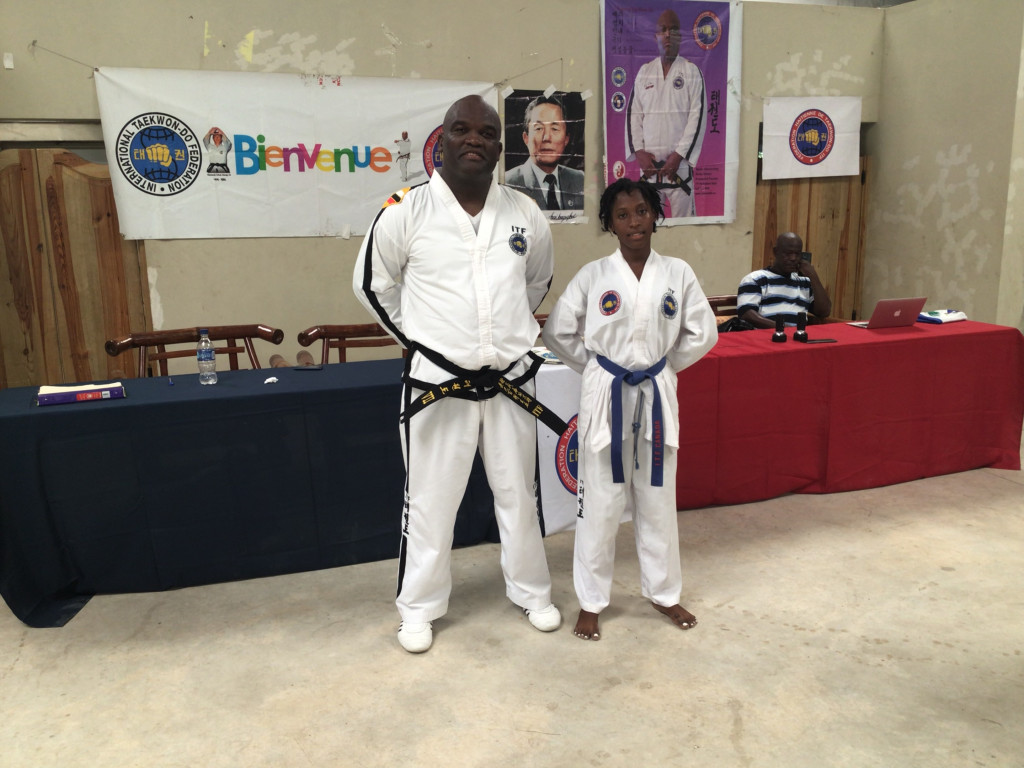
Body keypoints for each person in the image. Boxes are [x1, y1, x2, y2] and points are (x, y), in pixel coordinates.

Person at [353, 95, 561, 653]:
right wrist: (423, 343)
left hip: (511, 381)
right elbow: (372, 285)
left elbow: (536, 282)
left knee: (520, 495)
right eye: (462, 130)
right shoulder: (406, 210)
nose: (475, 139)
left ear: (500, 145)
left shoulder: (524, 212)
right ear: (441, 140)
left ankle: (532, 592)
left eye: (486, 132)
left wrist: (502, 338)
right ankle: (418, 608)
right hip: (437, 384)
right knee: (430, 501)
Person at [541, 178, 717, 641]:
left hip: (656, 390)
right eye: (622, 215)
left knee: (657, 497)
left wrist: (664, 368)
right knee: (601, 501)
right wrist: (596, 368)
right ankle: (591, 601)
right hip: (608, 394)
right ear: (610, 224)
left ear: (655, 215)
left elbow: (703, 332)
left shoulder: (677, 273)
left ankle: (664, 592)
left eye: (641, 211)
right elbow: (558, 331)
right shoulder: (594, 275)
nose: (634, 222)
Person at [626, 9, 706, 218]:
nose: (668, 34)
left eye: (674, 29)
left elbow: (697, 118)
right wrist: (639, 152)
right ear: (656, 36)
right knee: (648, 227)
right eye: (663, 30)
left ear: (680, 36)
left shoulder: (691, 72)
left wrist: (678, 155)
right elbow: (634, 114)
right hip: (649, 170)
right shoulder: (644, 72)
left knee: (685, 229)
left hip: (678, 169)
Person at [505, 95, 585, 212]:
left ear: (566, 139)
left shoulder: (580, 180)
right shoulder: (507, 184)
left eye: (555, 129)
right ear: (526, 138)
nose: (547, 137)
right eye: (538, 128)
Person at [736, 232, 832, 328]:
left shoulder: (804, 282)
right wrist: (784, 328)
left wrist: (813, 277)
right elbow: (746, 314)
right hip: (766, 335)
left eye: (797, 254)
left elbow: (824, 312)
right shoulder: (756, 279)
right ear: (775, 252)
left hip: (798, 335)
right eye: (788, 253)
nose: (793, 258)